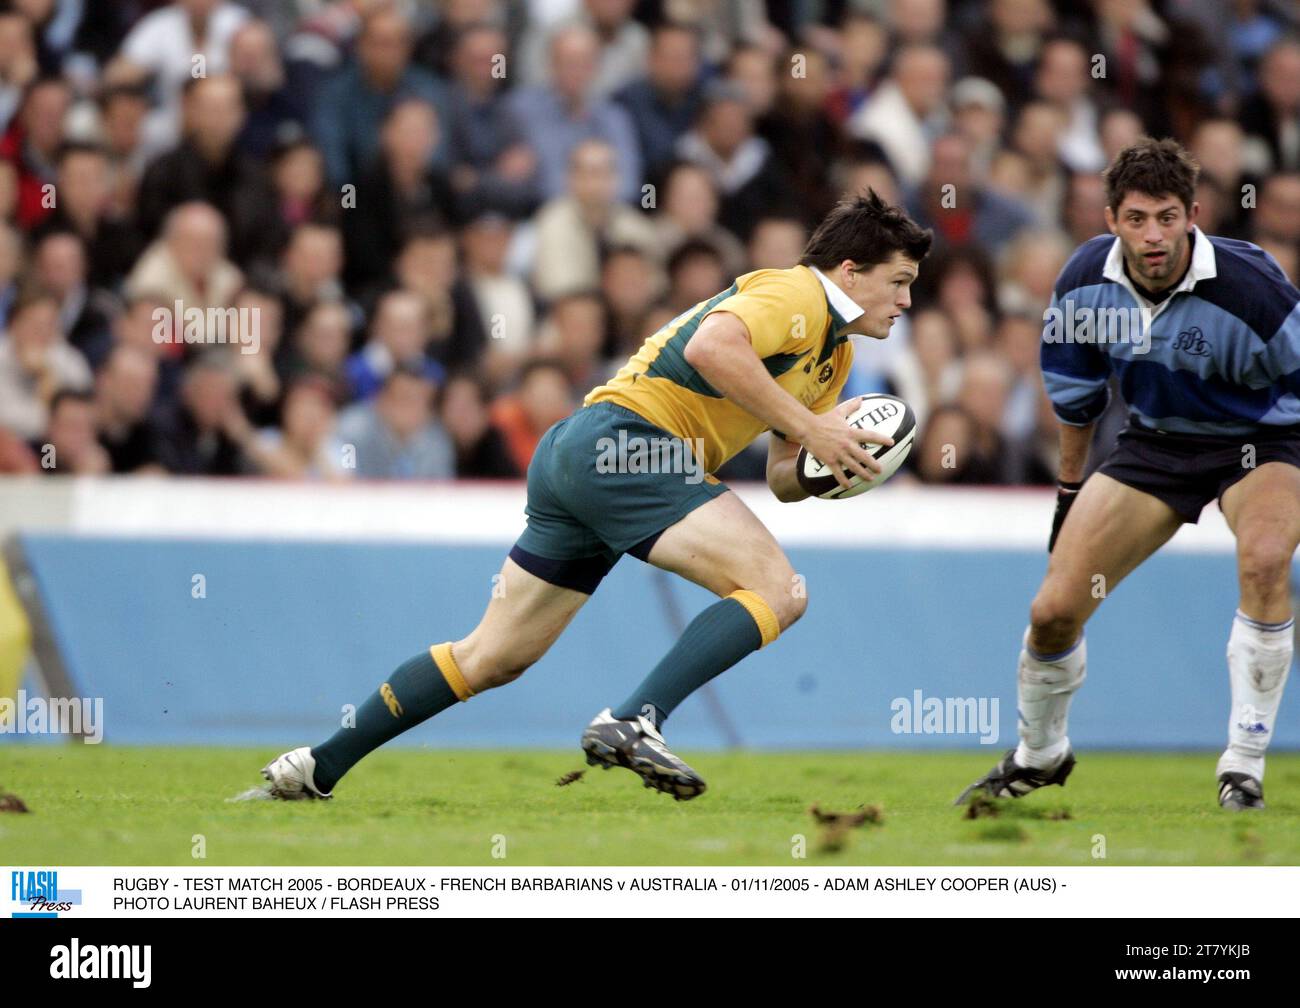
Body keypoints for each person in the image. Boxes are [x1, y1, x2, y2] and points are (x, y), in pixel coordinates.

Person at [258, 190, 931, 800]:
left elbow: (784, 478)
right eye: (898, 282)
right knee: (780, 590)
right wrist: (813, 425)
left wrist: (830, 467)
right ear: (849, 271)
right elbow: (711, 347)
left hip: (582, 454)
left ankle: (315, 767)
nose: (905, 302)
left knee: (491, 657)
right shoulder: (796, 295)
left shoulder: (832, 357)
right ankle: (634, 720)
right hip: (628, 444)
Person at [956, 138, 1300, 813]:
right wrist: (1069, 491)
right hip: (1159, 444)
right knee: (1052, 612)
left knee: (1264, 562)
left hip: (1263, 439)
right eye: (1138, 219)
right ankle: (1041, 754)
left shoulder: (1254, 290)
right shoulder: (1084, 282)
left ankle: (1243, 765)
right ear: (1110, 219)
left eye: (1168, 218)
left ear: (1193, 215)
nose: (1154, 235)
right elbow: (1076, 399)